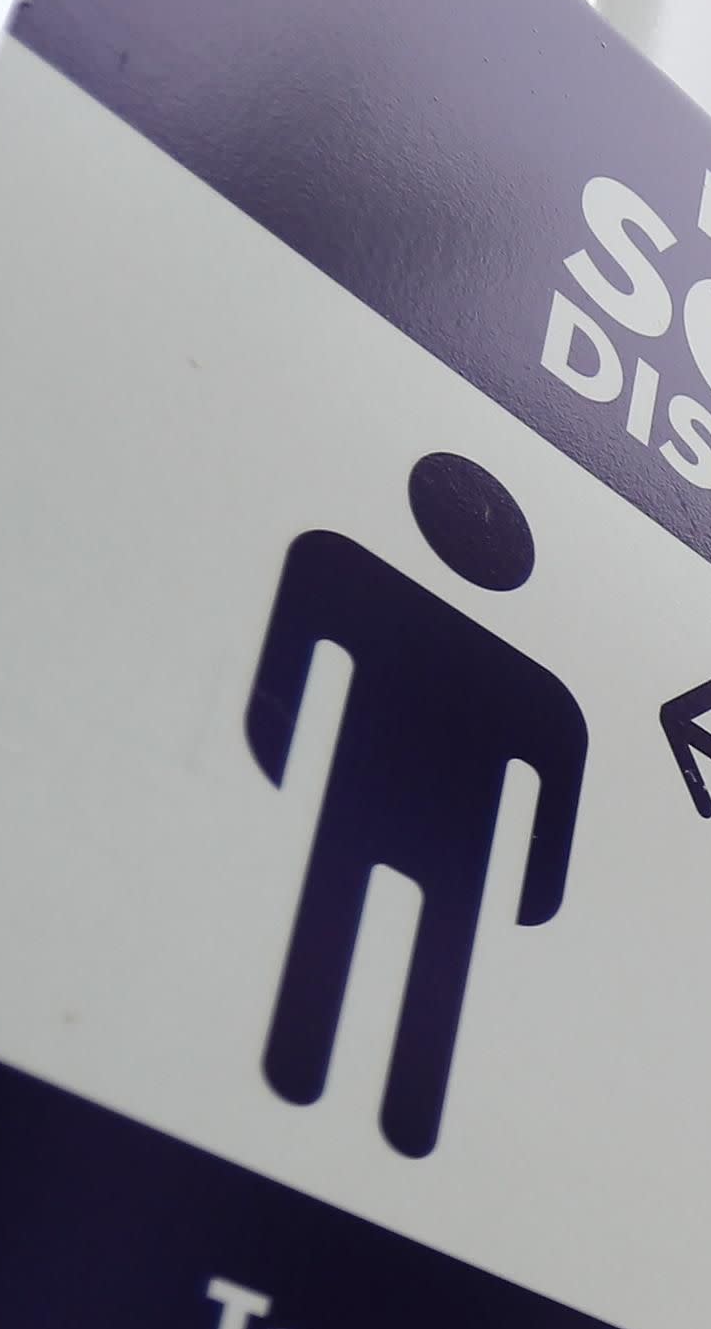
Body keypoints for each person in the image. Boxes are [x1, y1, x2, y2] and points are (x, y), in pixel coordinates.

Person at [242, 451, 589, 1157]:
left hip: (425, 830)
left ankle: (390, 1108)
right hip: (386, 812)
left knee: (404, 949)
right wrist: (534, 894)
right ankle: (307, 1070)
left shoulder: (355, 579)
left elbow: (558, 778)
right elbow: (289, 650)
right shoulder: (354, 575)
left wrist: (273, 739)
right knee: (343, 925)